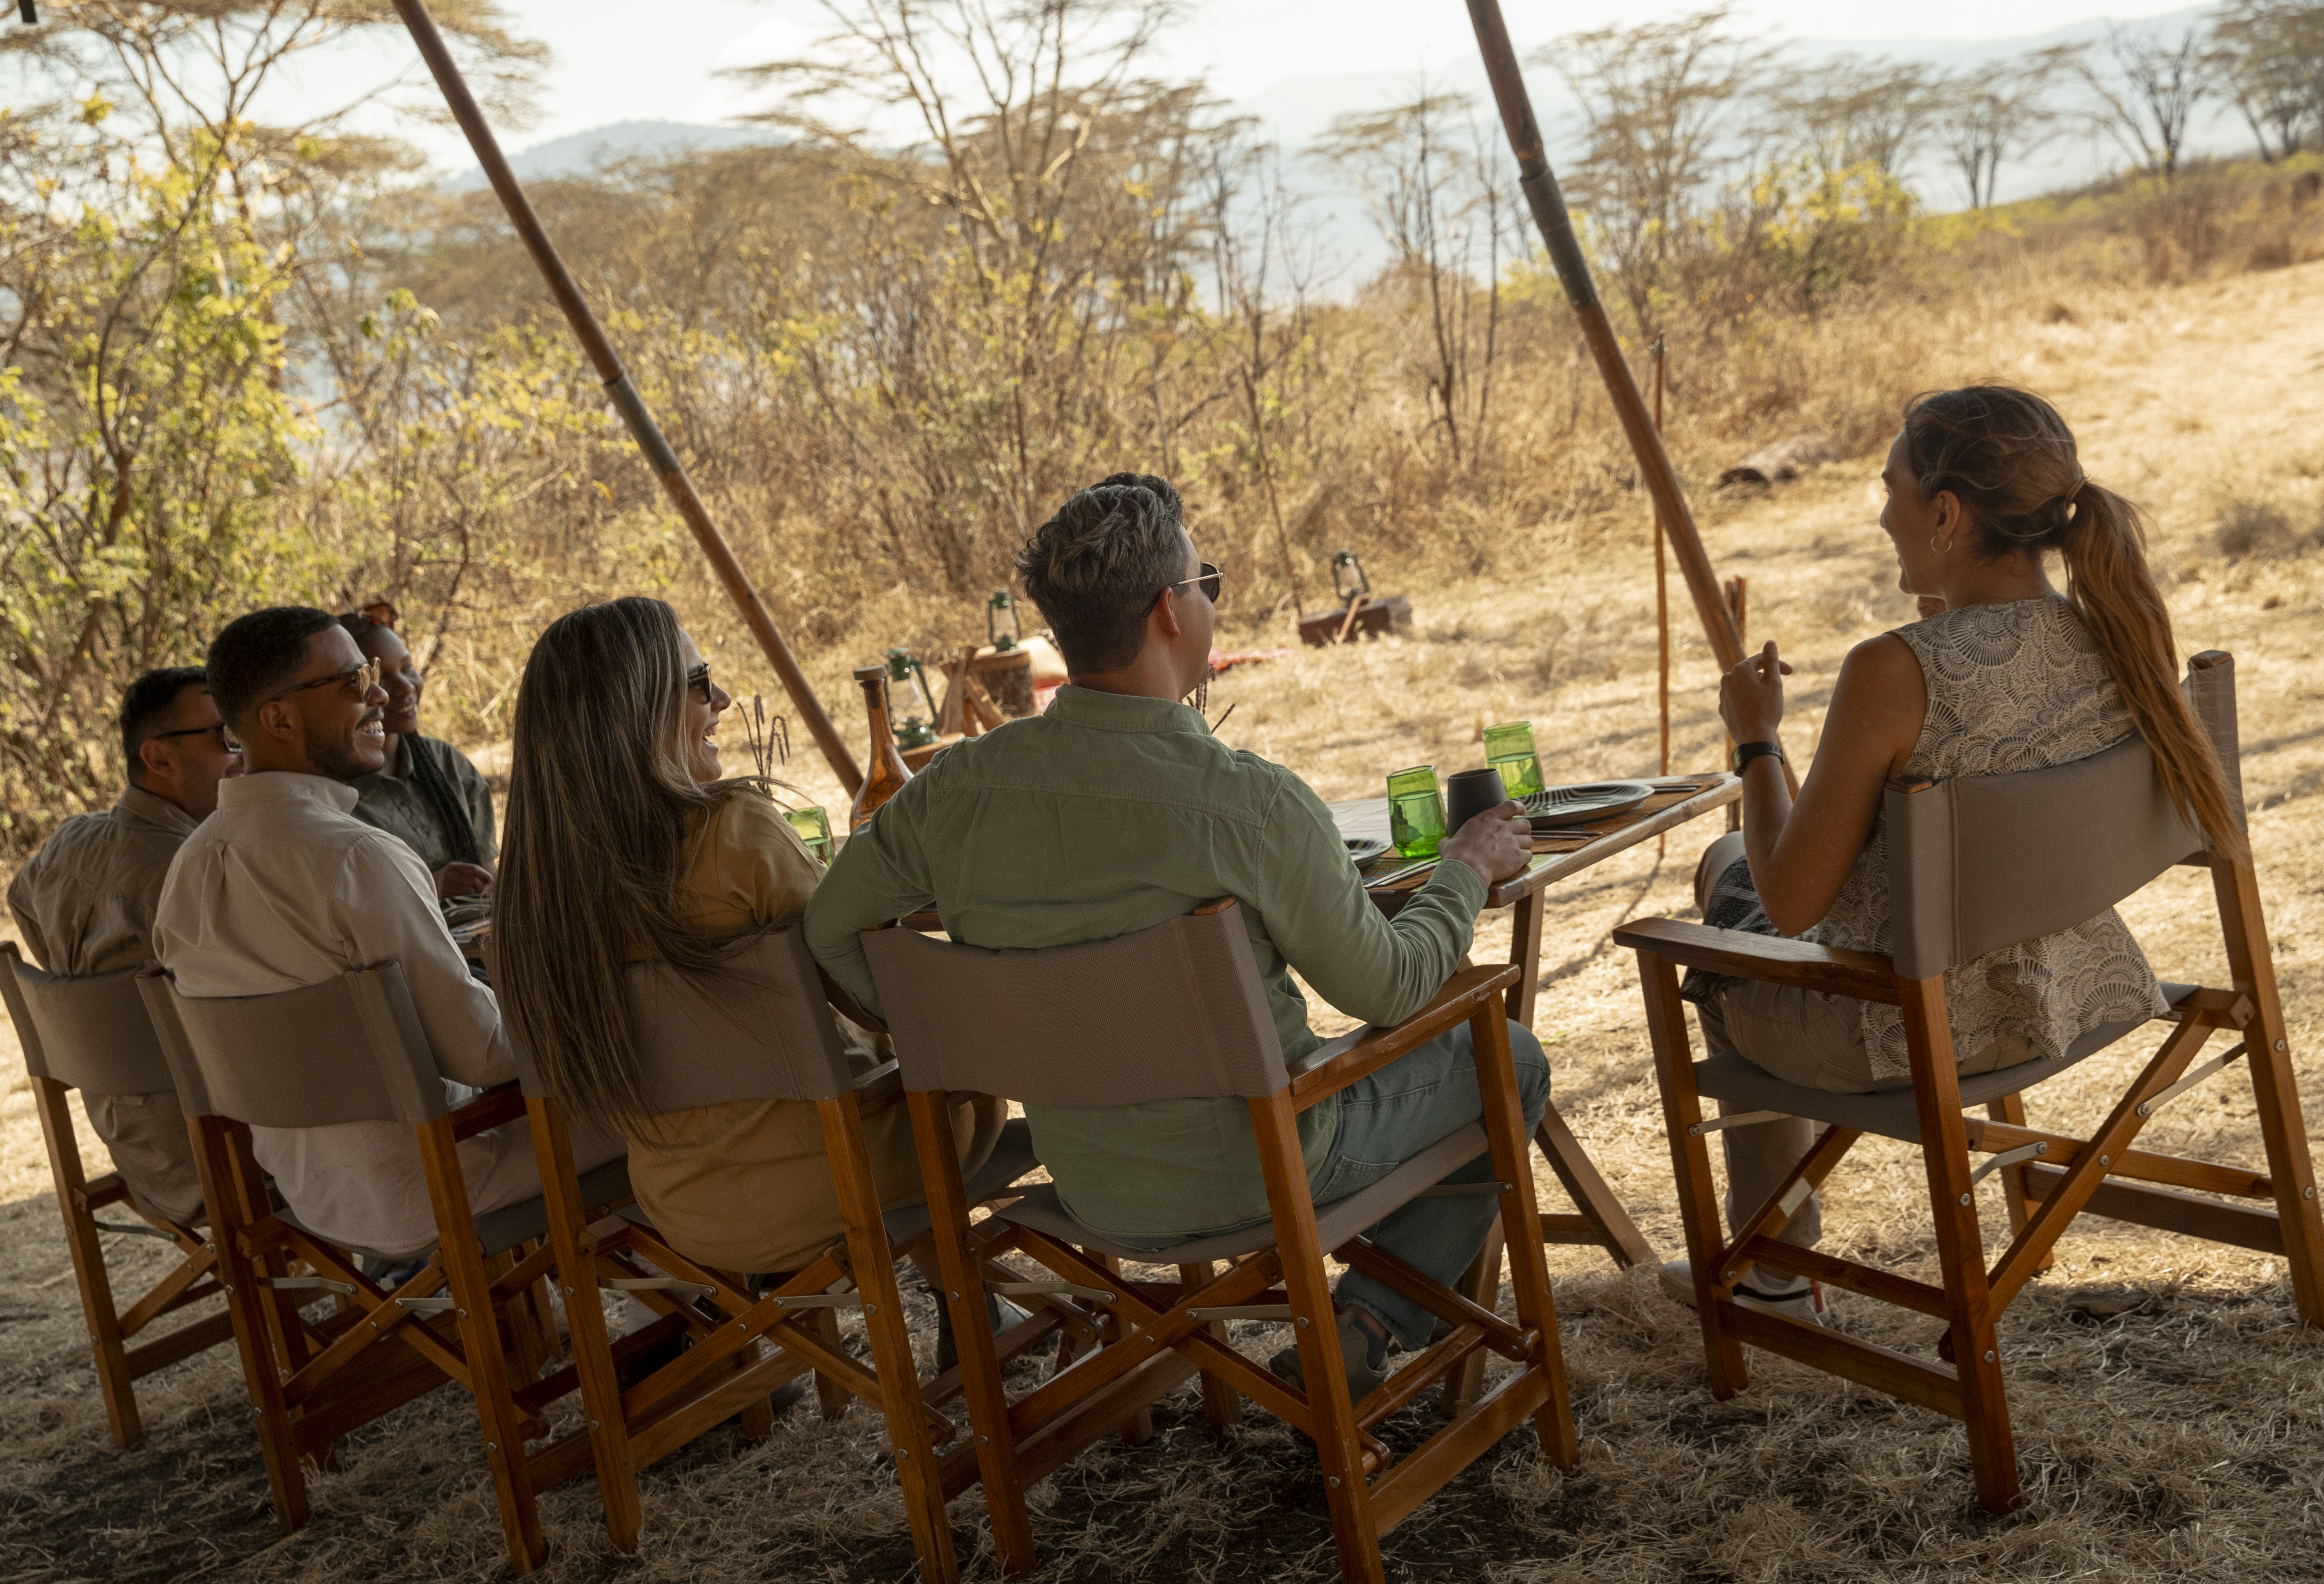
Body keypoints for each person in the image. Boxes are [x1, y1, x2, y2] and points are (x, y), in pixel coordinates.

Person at [805, 473, 1550, 1400]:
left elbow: (830, 926)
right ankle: (1371, 1319)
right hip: (1267, 1169)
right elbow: (1392, 990)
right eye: (1208, 583)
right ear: (1170, 611)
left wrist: (949, 1035)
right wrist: (1465, 872)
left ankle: (1363, 1323)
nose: (1208, 600)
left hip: (1089, 1180)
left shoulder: (953, 793)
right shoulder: (1248, 801)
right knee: (1508, 1057)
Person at [1668, 384, 2236, 1322]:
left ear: (1944, 513)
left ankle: (1773, 1280)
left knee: (1729, 881)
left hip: (1913, 1035)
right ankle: (1774, 1269)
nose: (1879, 510)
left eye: (1888, 487)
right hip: (2075, 987)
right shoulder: (2115, 625)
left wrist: (1757, 740)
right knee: (1736, 874)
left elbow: (1799, 901)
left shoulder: (1894, 670)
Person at [488, 596, 1004, 1283]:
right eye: (700, 683)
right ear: (636, 711)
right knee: (959, 1065)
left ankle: (955, 1301)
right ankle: (968, 1300)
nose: (724, 699)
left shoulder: (530, 902)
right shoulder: (734, 833)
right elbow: (878, 996)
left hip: (684, 1208)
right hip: (846, 1177)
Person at [152, 607, 622, 1258]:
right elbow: (483, 1054)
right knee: (661, 1077)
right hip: (443, 1176)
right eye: (352, 683)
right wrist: (606, 1002)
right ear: (279, 719)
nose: (380, 694)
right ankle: (676, 1319)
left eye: (372, 673)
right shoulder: (353, 857)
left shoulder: (188, 869)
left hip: (315, 1190)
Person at [6, 666, 243, 1226]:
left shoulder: (68, 842)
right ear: (159, 758)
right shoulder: (198, 871)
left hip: (141, 1150)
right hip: (232, 1154)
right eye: (225, 736)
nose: (243, 751)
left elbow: (20, 902)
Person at [335, 608, 496, 901]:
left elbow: (488, 884)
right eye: (381, 678)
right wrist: (429, 887)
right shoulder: (334, 797)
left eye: (407, 668)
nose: (406, 687)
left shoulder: (446, 762)